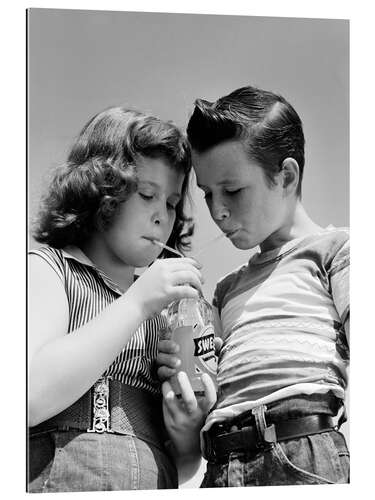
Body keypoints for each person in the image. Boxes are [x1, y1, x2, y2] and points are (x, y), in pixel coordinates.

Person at [157, 85, 350, 487]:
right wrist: (189, 394)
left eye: (233, 190)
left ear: (286, 176)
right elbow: (210, 388)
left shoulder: (335, 250)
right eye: (208, 194)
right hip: (222, 465)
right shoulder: (225, 289)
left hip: (301, 449)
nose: (218, 211)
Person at [28, 106, 216, 492]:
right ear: (100, 189)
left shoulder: (165, 316)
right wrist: (135, 304)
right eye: (148, 194)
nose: (162, 216)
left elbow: (180, 467)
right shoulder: (51, 269)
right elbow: (29, 394)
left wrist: (186, 429)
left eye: (171, 202)